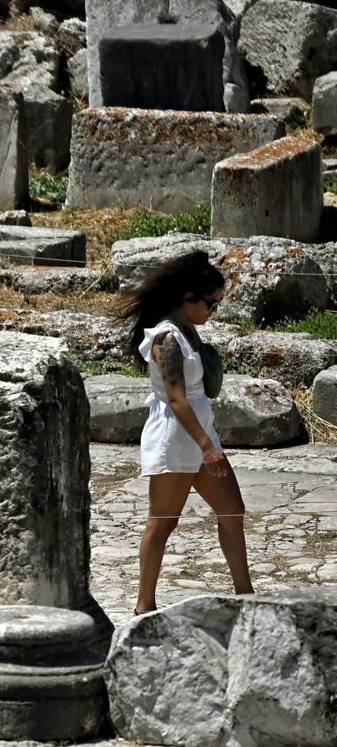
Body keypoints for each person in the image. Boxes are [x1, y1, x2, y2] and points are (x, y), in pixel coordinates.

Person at [121, 250, 253, 615]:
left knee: (231, 510)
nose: (215, 311)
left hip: (200, 434)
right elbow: (177, 400)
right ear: (188, 298)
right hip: (177, 439)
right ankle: (143, 605)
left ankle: (246, 595)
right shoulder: (166, 339)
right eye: (212, 303)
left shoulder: (188, 331)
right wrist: (208, 448)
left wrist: (208, 443)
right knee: (163, 521)